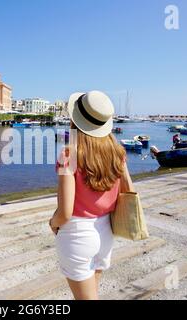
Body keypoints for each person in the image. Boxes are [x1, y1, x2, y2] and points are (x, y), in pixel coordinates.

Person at [49, 91, 134, 300]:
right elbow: (129, 191)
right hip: (106, 231)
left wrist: (53, 222)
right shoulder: (118, 151)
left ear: (75, 120)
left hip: (77, 234)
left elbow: (66, 212)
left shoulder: (69, 155)